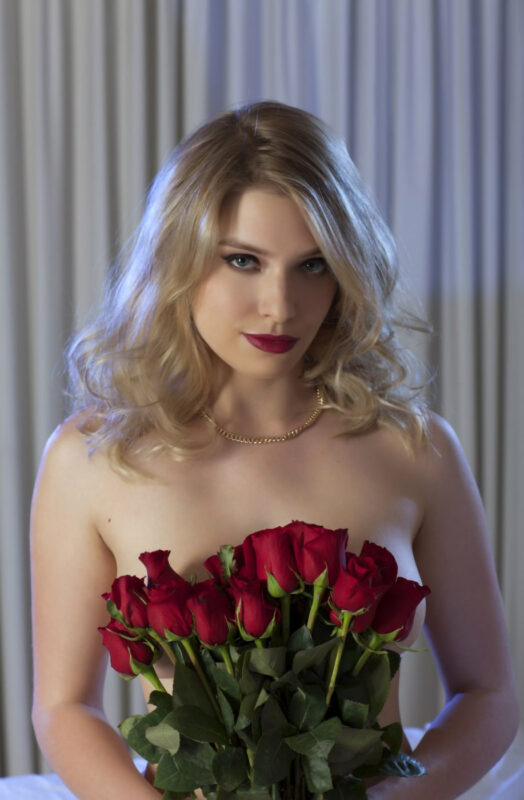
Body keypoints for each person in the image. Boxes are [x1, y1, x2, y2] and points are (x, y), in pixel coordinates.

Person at [30, 100, 519, 800]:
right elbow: (63, 708)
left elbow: (489, 694)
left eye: (313, 265)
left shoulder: (417, 448)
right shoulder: (92, 456)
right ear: (178, 260)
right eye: (243, 261)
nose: (281, 305)